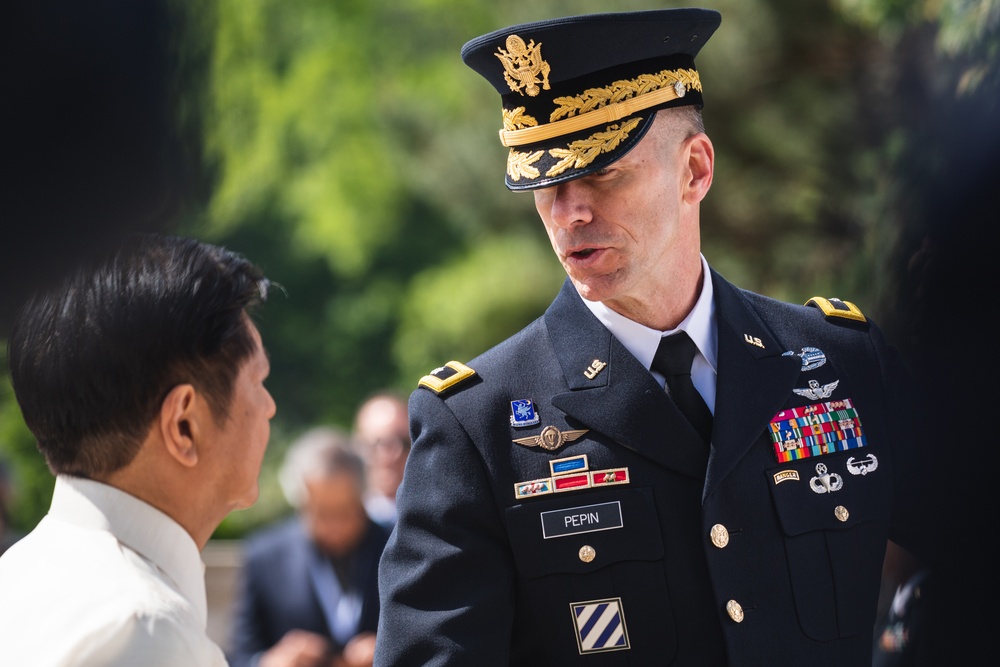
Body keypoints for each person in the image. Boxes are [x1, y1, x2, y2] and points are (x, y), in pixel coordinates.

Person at [374, 8, 940, 666]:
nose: (571, 212)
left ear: (695, 170)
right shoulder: (478, 424)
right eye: (546, 184)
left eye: (602, 173)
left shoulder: (842, 363)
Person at [0, 233, 276, 666]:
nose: (270, 406)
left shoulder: (17, 576)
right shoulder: (144, 631)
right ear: (183, 424)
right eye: (258, 382)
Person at [229, 426, 389, 667]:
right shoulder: (266, 557)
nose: (334, 526)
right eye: (321, 513)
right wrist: (272, 662)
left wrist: (392, 651)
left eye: (344, 511)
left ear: (364, 498)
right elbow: (240, 656)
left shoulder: (395, 548)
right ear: (300, 503)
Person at [351, 391, 411, 528]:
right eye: (376, 443)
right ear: (356, 446)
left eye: (404, 443)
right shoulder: (339, 521)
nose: (390, 455)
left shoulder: (436, 519)